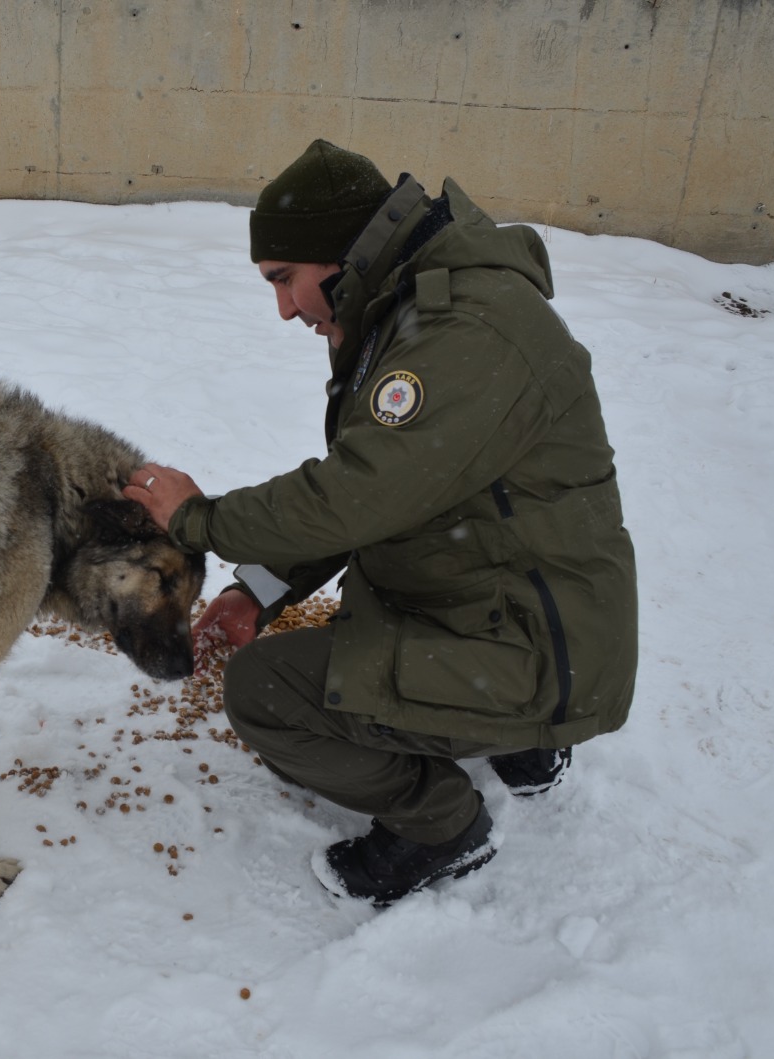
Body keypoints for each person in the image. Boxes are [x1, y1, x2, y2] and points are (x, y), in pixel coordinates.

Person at [124, 139, 637, 908]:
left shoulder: (462, 331)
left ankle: (443, 824)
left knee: (265, 691)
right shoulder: (417, 308)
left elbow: (356, 495)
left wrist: (198, 519)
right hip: (529, 619)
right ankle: (524, 740)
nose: (284, 308)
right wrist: (260, 589)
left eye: (285, 280)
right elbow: (393, 491)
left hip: (536, 648)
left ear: (338, 253)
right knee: (378, 599)